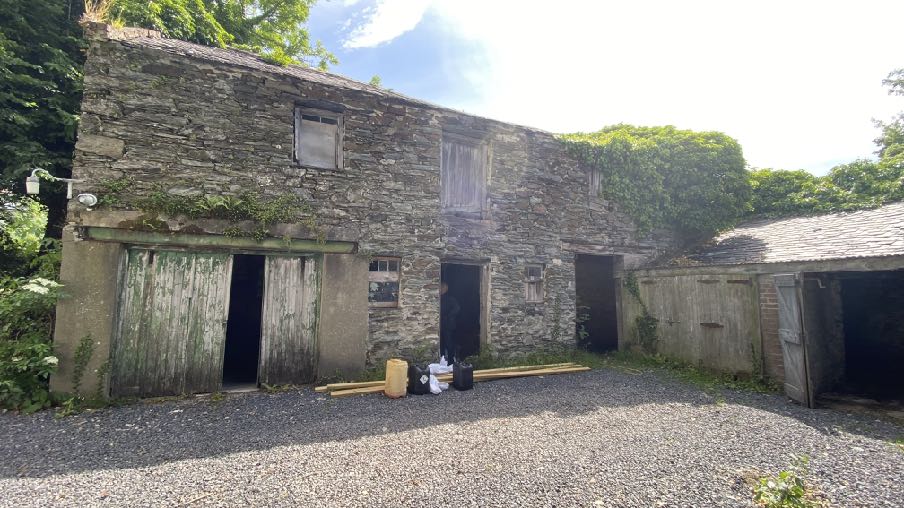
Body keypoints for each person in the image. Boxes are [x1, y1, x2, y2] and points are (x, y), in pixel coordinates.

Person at [440, 281, 461, 361]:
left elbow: (457, 308)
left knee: (449, 343)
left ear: (446, 289)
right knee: (441, 343)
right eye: (440, 288)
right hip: (440, 324)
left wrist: (448, 316)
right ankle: (442, 360)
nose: (441, 289)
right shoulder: (438, 298)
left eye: (443, 288)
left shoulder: (450, 299)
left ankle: (451, 360)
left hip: (448, 324)